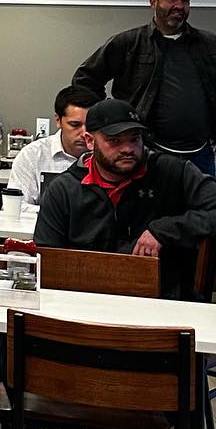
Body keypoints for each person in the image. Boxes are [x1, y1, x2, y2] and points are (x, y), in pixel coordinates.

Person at [34, 97, 216, 299]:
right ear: (90, 141)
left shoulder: (172, 173)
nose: (128, 148)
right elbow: (46, 260)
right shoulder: (64, 190)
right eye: (115, 141)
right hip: (86, 300)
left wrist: (165, 230)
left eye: (134, 139)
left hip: (163, 300)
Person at [73, 0, 216, 175]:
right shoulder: (128, 43)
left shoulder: (209, 44)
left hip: (200, 153)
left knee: (204, 196)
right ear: (153, 2)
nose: (179, 5)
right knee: (145, 197)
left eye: (185, 0)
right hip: (146, 150)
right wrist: (109, 116)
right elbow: (85, 80)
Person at [8, 85, 103, 208]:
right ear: (58, 120)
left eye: (90, 125)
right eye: (75, 125)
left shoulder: (107, 153)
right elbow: (17, 207)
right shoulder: (32, 156)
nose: (84, 133)